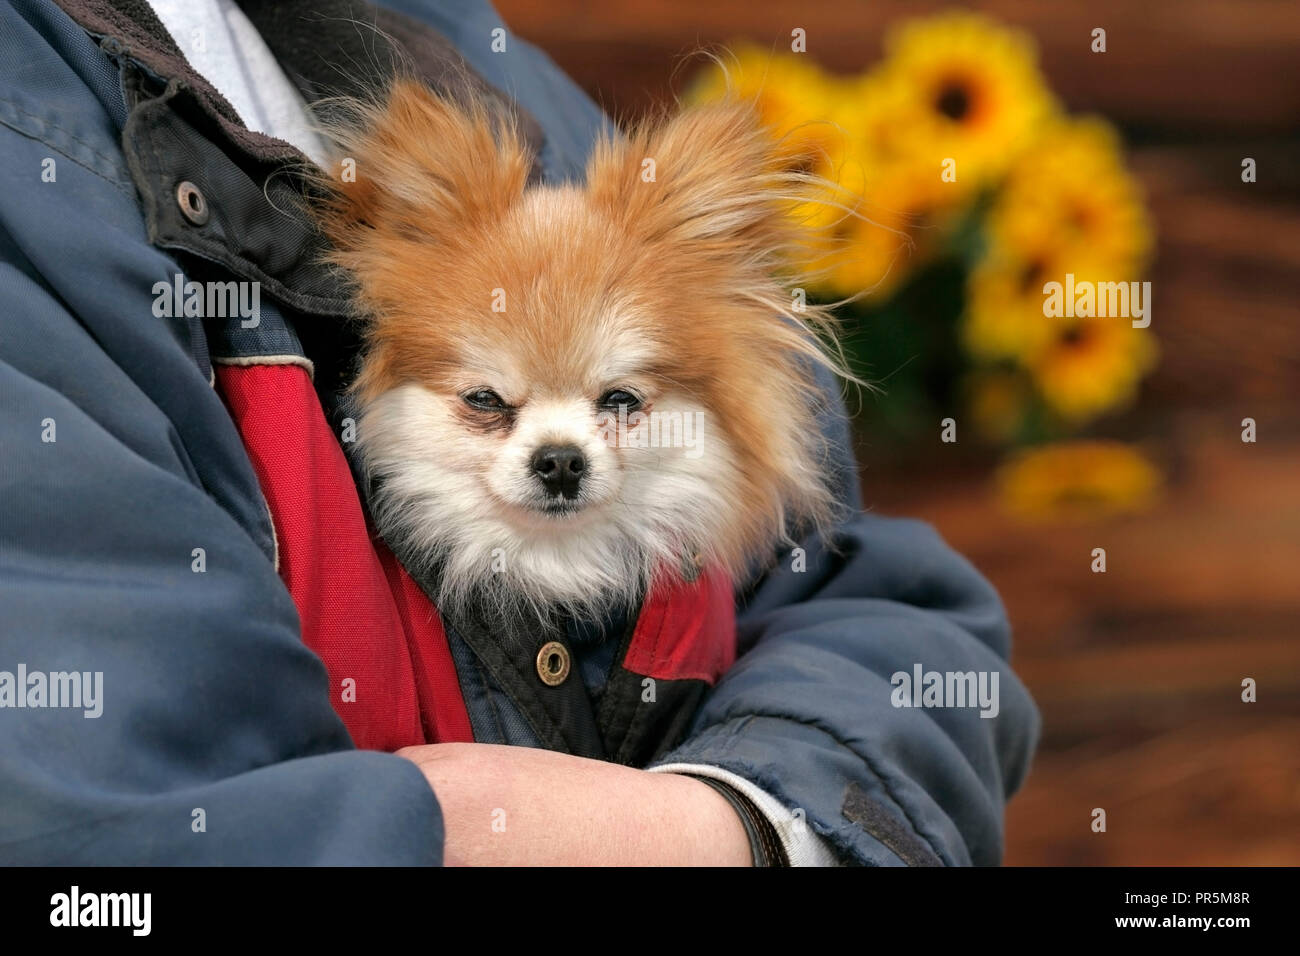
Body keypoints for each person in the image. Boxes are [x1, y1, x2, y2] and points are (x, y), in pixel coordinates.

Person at [0, 0, 1039, 866]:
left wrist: (728, 822)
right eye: (487, 403)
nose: (556, 447)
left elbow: (880, 614)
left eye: (619, 403)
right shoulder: (39, 145)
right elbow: (102, 826)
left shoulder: (451, 40)